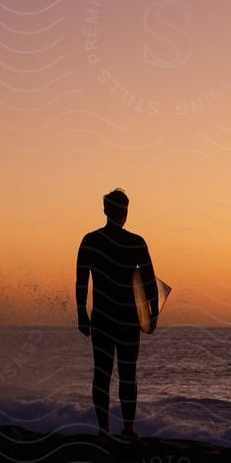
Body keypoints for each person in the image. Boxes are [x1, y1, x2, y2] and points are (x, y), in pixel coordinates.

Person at [76, 188, 158, 439]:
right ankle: (129, 428)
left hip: (102, 317)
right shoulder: (135, 242)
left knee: (103, 373)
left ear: (105, 210)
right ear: (123, 212)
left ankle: (105, 428)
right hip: (126, 319)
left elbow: (81, 282)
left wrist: (82, 313)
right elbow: (149, 282)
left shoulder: (91, 240)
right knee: (127, 373)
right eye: (123, 209)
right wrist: (153, 314)